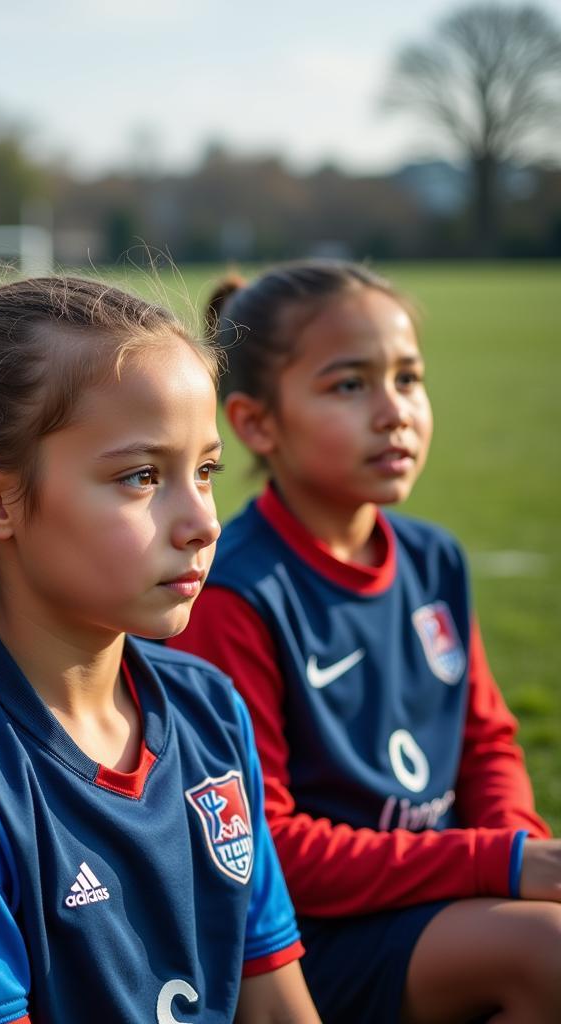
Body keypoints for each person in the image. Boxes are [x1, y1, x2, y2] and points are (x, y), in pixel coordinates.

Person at [0, 277, 320, 1023]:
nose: (202, 522)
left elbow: (277, 1005)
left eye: (206, 471)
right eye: (141, 476)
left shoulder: (211, 711)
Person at [169, 260, 561, 1024]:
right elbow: (265, 845)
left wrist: (517, 852)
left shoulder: (433, 558)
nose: (394, 412)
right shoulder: (235, 595)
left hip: (436, 894)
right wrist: (497, 864)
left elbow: (487, 743)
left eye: (408, 378)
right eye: (350, 386)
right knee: (548, 953)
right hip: (307, 941)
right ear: (255, 423)